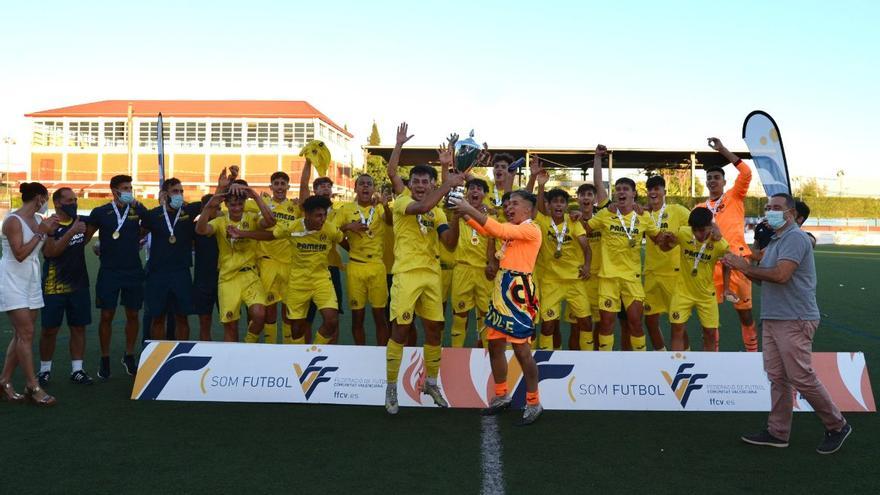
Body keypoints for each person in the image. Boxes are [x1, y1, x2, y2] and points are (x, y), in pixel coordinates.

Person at [724, 193, 851, 454]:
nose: (770, 211)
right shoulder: (777, 240)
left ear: (791, 214)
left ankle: (837, 425)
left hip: (794, 318)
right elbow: (765, 279)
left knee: (800, 377)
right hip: (774, 317)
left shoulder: (794, 237)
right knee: (778, 378)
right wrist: (741, 268)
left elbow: (781, 276)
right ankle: (777, 432)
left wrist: (744, 267)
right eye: (768, 207)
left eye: (777, 207)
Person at [451, 190, 544, 425]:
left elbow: (497, 230)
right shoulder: (513, 227)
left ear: (529, 209)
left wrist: (467, 208)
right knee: (494, 345)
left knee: (522, 351)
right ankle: (502, 395)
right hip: (502, 288)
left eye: (515, 203)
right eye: (508, 203)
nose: (509, 207)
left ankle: (534, 401)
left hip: (519, 293)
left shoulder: (531, 229)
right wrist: (462, 213)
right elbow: (486, 230)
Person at [383, 160, 464, 415]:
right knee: (401, 330)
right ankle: (392, 386)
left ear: (431, 184)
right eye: (416, 181)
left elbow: (449, 244)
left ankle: (430, 383)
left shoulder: (437, 212)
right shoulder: (402, 202)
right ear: (410, 185)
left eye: (424, 182)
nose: (420, 185)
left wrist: (455, 217)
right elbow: (423, 205)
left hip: (431, 275)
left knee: (434, 330)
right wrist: (447, 184)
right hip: (406, 274)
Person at [243, 195, 344, 345]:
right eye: (318, 216)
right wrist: (242, 234)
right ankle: (299, 357)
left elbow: (344, 241)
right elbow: (270, 236)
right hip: (298, 282)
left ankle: (313, 351)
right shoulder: (293, 227)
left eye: (324, 215)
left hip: (321, 280)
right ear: (307, 215)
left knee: (331, 321)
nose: (322, 219)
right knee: (296, 329)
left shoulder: (330, 229)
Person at [585, 177, 665, 351]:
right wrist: (574, 217)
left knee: (636, 323)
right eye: (618, 189)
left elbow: (660, 240)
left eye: (625, 189)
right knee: (606, 324)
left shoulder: (643, 217)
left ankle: (639, 363)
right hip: (608, 278)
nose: (621, 192)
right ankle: (605, 365)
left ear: (633, 194)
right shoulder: (606, 214)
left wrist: (674, 237)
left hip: (632, 279)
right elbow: (584, 229)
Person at [0, 182, 58, 405]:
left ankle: (4, 380)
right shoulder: (13, 221)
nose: (46, 204)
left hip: (31, 280)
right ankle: (33, 386)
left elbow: (46, 251)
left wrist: (50, 232)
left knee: (21, 334)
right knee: (26, 333)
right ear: (38, 199)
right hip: (12, 279)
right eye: (46, 198)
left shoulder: (36, 220)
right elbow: (20, 254)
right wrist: (40, 232)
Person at [195, 183, 275, 342]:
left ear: (245, 203)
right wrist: (209, 205)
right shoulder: (220, 222)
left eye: (240, 204)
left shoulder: (252, 218)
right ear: (226, 205)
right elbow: (200, 230)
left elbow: (271, 222)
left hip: (250, 275)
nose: (237, 208)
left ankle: (248, 344)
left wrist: (255, 195)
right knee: (231, 325)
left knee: (260, 315)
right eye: (233, 204)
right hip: (228, 279)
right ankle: (232, 361)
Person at [86, 175, 148, 379]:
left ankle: (129, 355)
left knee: (132, 314)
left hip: (133, 271)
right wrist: (96, 245)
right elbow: (86, 237)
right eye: (125, 188)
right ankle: (105, 358)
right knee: (106, 316)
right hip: (109, 272)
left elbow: (148, 226)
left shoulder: (137, 209)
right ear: (114, 190)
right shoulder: (100, 212)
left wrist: (140, 209)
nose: (129, 190)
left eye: (130, 187)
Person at [699, 138, 757, 352]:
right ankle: (713, 359)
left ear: (724, 182)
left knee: (745, 313)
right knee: (710, 318)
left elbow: (746, 173)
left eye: (716, 177)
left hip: (737, 262)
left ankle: (752, 355)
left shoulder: (734, 196)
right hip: (711, 266)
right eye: (709, 178)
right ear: (706, 183)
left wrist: (722, 150)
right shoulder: (700, 207)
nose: (712, 181)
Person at [38, 187, 94, 386]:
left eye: (75, 199)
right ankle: (44, 370)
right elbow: (50, 252)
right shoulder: (49, 225)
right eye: (69, 200)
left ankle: (77, 370)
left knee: (78, 327)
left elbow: (89, 237)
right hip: (54, 287)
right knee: (49, 330)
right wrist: (71, 232)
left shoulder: (82, 222)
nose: (74, 203)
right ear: (58, 203)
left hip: (79, 285)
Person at [533, 172, 591, 351]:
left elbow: (586, 247)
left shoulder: (573, 221)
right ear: (548, 205)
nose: (559, 204)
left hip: (575, 280)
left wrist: (587, 266)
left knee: (586, 322)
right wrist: (541, 184)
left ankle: (588, 359)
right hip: (551, 282)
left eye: (562, 202)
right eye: (554, 201)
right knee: (548, 324)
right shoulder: (542, 222)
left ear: (566, 205)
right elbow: (535, 207)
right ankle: (546, 360)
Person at [141, 178, 202, 341]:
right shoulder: (153, 215)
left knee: (182, 317)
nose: (179, 195)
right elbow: (137, 235)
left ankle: (181, 352)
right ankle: (157, 355)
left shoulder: (188, 212)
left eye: (181, 192)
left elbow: (210, 201)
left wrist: (226, 183)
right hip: (157, 274)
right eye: (175, 191)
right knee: (158, 317)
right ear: (165, 194)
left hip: (181, 273)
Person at [660, 207, 729, 351]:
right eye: (695, 230)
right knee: (677, 329)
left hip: (706, 294)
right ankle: (677, 366)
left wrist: (727, 288)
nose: (698, 234)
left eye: (702, 230)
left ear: (710, 227)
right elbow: (665, 248)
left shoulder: (720, 244)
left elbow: (727, 264)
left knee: (710, 333)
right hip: (682, 292)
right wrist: (667, 241)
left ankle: (708, 367)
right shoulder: (683, 232)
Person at [336, 174, 393, 345]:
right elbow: (333, 231)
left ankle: (381, 353)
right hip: (356, 267)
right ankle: (360, 353)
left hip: (376, 266)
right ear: (355, 188)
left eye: (369, 184)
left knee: (379, 316)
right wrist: (348, 227)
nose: (365, 187)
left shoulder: (381, 209)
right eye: (362, 184)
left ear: (374, 189)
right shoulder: (346, 210)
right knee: (357, 316)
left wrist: (386, 206)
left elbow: (390, 222)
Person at [567, 145, 610, 350]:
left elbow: (599, 182)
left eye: (589, 195)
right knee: (577, 325)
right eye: (582, 195)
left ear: (594, 199)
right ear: (577, 198)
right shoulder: (571, 218)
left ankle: (594, 360)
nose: (586, 198)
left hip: (600, 278)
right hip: (579, 278)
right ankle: (574, 359)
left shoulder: (602, 215)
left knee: (599, 324)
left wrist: (597, 159)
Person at [642, 175, 691, 351]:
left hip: (673, 273)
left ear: (664, 192)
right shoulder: (644, 213)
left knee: (677, 320)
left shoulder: (677, 210)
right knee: (650, 320)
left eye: (657, 189)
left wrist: (677, 237)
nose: (653, 192)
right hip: (651, 273)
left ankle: (686, 356)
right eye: (650, 189)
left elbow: (696, 225)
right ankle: (661, 356)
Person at [298, 158, 344, 337]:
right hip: (308, 269)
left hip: (331, 268)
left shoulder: (341, 212)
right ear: (314, 191)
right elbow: (302, 186)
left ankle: (333, 353)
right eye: (321, 185)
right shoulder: (307, 210)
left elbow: (342, 233)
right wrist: (309, 162)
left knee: (333, 317)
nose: (326, 188)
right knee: (306, 318)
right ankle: (306, 351)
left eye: (328, 186)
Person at [449, 178, 495, 348]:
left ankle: (485, 357)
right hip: (463, 268)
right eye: (472, 188)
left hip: (483, 270)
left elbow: (492, 240)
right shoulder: (456, 212)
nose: (475, 191)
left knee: (485, 315)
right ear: (466, 193)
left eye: (479, 189)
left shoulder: (490, 216)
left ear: (484, 194)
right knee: (459, 315)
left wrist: (491, 262)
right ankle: (456, 353)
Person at [255, 171, 299, 344]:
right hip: (268, 263)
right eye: (277, 184)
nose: (280, 187)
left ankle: (287, 348)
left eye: (283, 184)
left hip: (289, 263)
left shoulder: (295, 207)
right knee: (270, 310)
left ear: (288, 187)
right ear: (271, 187)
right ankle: (271, 348)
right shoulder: (263, 203)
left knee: (288, 309)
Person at [193, 193, 220, 340]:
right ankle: (205, 353)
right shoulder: (197, 227)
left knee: (229, 321)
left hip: (224, 279)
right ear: (204, 208)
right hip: (203, 280)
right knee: (204, 321)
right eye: (214, 208)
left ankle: (232, 358)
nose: (218, 211)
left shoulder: (225, 224)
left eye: (219, 207)